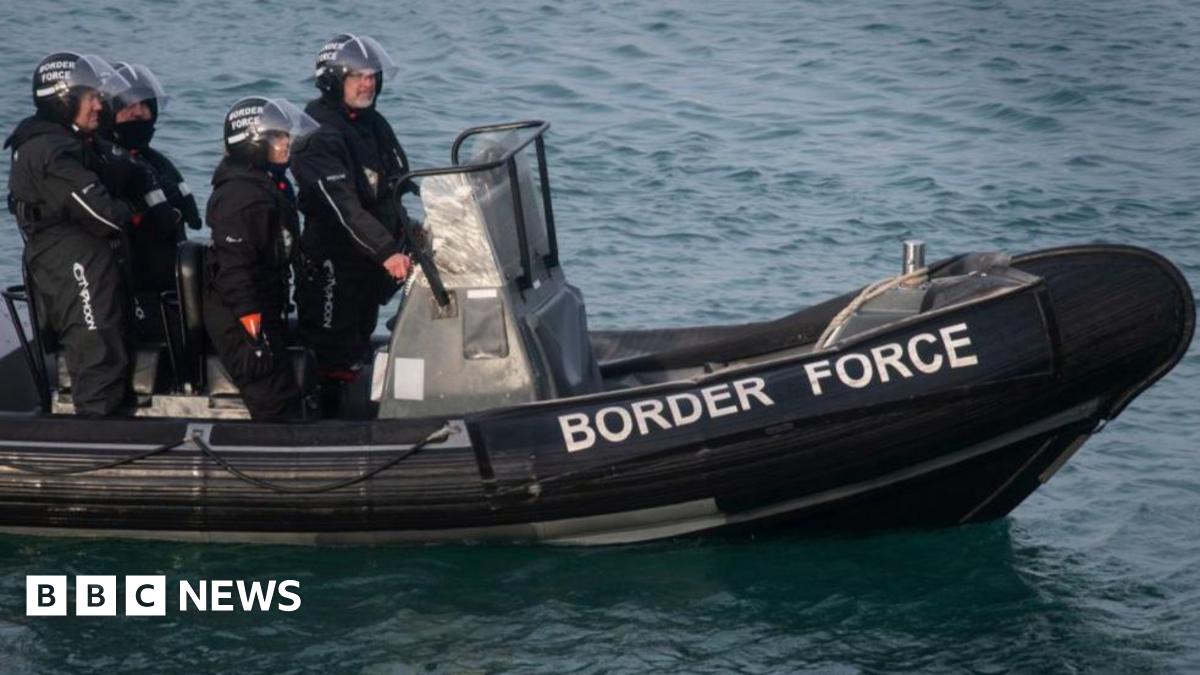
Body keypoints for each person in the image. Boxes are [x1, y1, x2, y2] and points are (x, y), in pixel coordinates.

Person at [4, 53, 137, 415]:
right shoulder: (50, 149)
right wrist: (131, 209)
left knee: (109, 342)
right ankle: (98, 435)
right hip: (71, 256)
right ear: (64, 99)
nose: (99, 105)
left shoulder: (66, 142)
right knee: (95, 347)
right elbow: (105, 215)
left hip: (80, 252)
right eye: (90, 97)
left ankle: (113, 424)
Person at [290, 34, 414, 407]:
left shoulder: (373, 124)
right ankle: (324, 416)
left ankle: (355, 397)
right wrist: (388, 251)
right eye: (357, 76)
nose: (368, 84)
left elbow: (393, 188)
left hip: (369, 257)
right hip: (334, 257)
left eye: (373, 76)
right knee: (334, 346)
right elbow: (343, 206)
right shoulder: (317, 133)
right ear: (334, 80)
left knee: (360, 334)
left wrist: (415, 230)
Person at [202, 96, 317, 421]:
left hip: (265, 306)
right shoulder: (241, 197)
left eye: (285, 135)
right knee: (275, 401)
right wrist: (254, 332)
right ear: (252, 143)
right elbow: (233, 270)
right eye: (276, 136)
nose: (286, 142)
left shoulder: (269, 186)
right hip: (241, 316)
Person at [105, 62, 202, 339]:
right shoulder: (104, 161)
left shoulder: (157, 162)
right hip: (130, 285)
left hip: (169, 281)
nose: (138, 112)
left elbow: (191, 220)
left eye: (144, 104)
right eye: (126, 105)